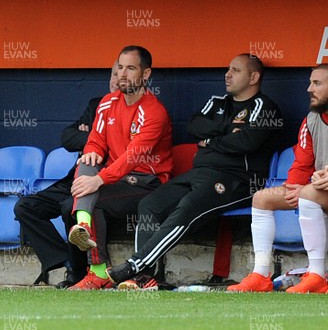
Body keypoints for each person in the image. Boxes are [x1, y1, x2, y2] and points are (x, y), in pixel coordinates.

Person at [106, 54, 283, 289]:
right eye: (227, 69)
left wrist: (209, 141)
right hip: (200, 173)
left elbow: (246, 143)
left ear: (254, 77)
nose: (227, 74)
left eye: (236, 70)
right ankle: (145, 278)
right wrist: (228, 130)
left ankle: (135, 266)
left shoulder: (263, 106)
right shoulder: (218, 101)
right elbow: (194, 126)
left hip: (237, 180)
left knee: (188, 207)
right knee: (150, 203)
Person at [65, 45, 174, 290]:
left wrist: (99, 180)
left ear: (145, 74)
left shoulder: (154, 111)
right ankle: (94, 263)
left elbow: (133, 157)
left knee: (93, 199)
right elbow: (96, 139)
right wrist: (93, 151)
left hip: (148, 181)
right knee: (85, 161)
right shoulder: (106, 103)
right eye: (120, 67)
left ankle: (100, 270)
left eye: (131, 68)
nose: (123, 74)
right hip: (117, 180)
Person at [13, 62, 119, 289]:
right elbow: (67, 138)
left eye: (123, 72)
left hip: (105, 181)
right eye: (113, 73)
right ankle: (68, 262)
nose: (116, 78)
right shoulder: (96, 104)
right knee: (25, 207)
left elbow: (118, 147)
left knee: (68, 207)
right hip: (75, 177)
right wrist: (95, 137)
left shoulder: (133, 111)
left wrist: (94, 137)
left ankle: (80, 275)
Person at [228, 64, 328, 293]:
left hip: (318, 191)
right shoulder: (312, 119)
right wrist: (295, 186)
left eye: (317, 83)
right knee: (263, 198)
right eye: (310, 82)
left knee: (309, 194)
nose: (309, 89)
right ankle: (261, 274)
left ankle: (317, 275)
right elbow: (302, 162)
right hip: (320, 189)